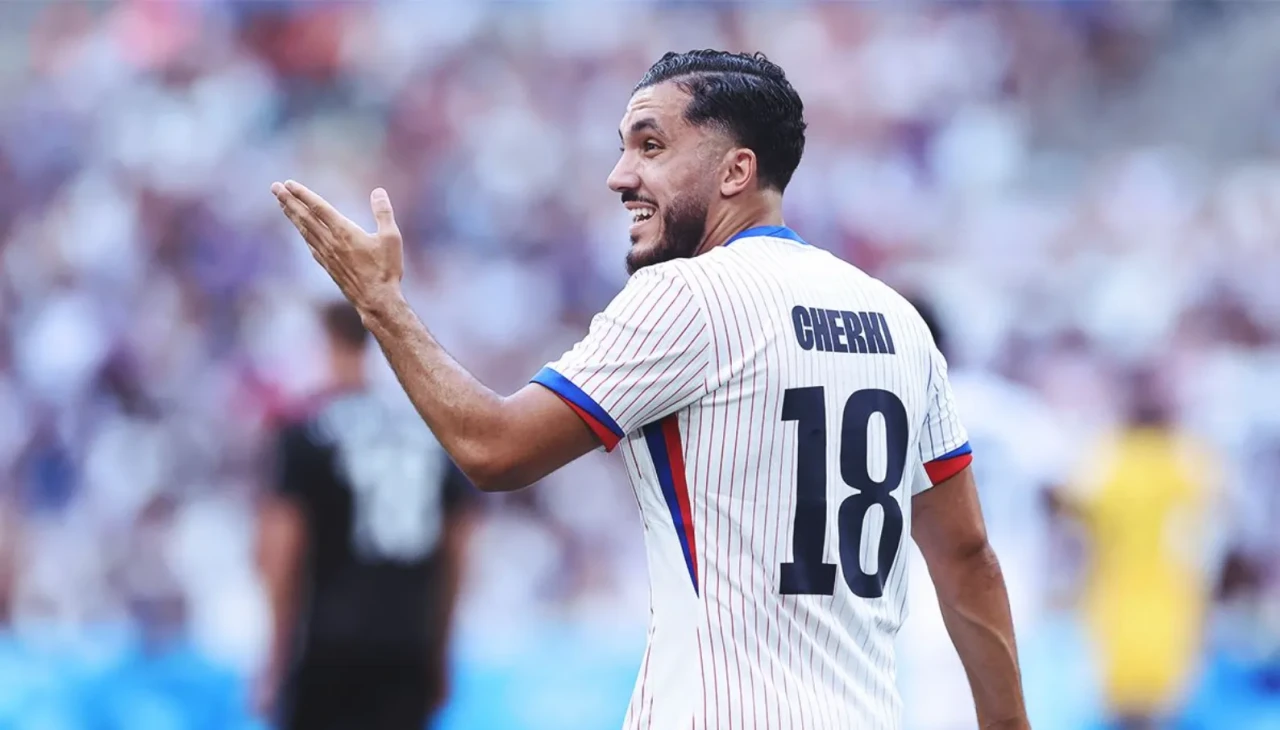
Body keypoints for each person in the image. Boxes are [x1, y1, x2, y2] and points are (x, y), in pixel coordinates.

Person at [272, 50, 1028, 729]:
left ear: (735, 171)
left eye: (651, 145)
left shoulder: (689, 295)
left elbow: (493, 449)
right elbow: (968, 559)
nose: (619, 175)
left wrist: (380, 304)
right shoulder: (898, 322)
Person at [255, 301, 474, 730]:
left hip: (328, 646)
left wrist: (275, 660)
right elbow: (459, 551)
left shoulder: (307, 433)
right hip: (409, 643)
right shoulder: (428, 432)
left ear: (327, 343)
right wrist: (441, 650)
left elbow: (282, 554)